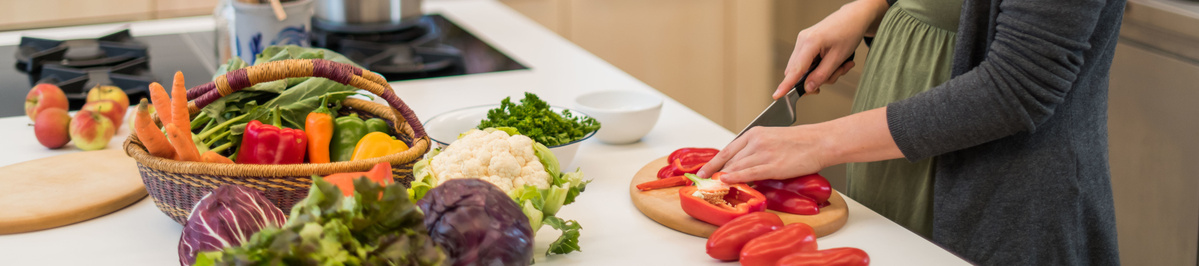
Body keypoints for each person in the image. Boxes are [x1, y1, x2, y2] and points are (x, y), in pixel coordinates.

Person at [696, 0, 1124, 265]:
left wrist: (819, 141)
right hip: (892, 183)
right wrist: (872, 7)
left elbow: (1016, 86)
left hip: (1000, 202)